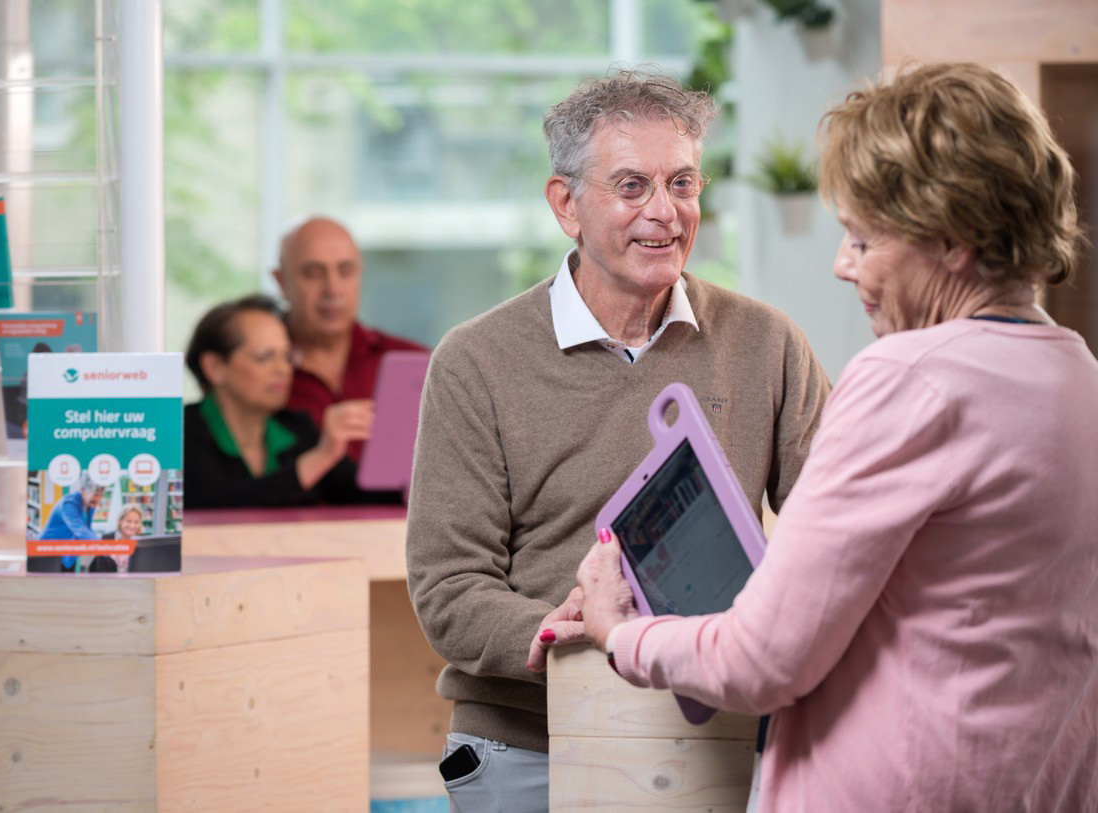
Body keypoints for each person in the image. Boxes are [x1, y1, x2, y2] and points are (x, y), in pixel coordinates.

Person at [539, 63, 1098, 812]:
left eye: (864, 239)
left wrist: (619, 634)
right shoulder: (1078, 376)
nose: (843, 265)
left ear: (955, 239)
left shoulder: (908, 376)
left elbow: (762, 658)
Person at [406, 70, 830, 812]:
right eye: (632, 186)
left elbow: (834, 528)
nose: (665, 212)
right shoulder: (475, 360)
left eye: (684, 184)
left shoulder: (768, 341)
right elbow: (448, 587)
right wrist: (559, 629)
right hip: (532, 739)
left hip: (719, 728)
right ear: (565, 204)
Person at [184, 294, 373, 509]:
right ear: (215, 367)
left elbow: (364, 494)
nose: (283, 369)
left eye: (287, 356)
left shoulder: (298, 428)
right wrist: (320, 458)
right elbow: (218, 506)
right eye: (264, 356)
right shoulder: (181, 433)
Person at [272, 216, 427, 460]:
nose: (333, 289)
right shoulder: (251, 371)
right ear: (281, 282)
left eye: (346, 271)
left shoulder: (416, 363)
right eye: (313, 274)